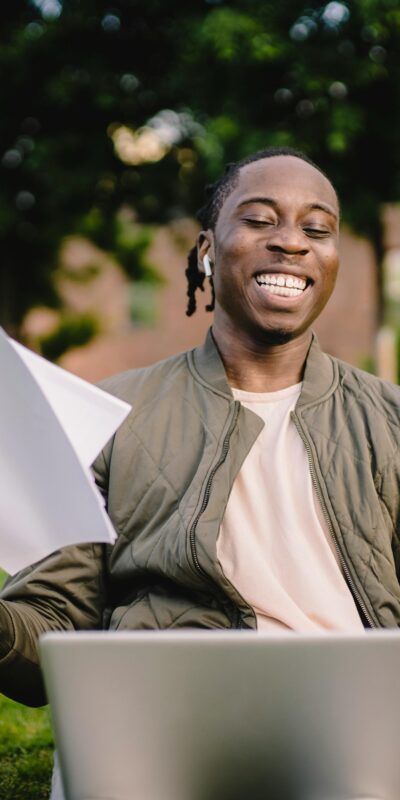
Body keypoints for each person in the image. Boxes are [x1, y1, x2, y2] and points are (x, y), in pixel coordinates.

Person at [1, 146, 400, 717]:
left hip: (352, 723)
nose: (291, 241)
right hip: (167, 719)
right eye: (260, 219)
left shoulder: (390, 419)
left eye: (317, 228)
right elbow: (51, 630)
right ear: (208, 250)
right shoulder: (109, 416)